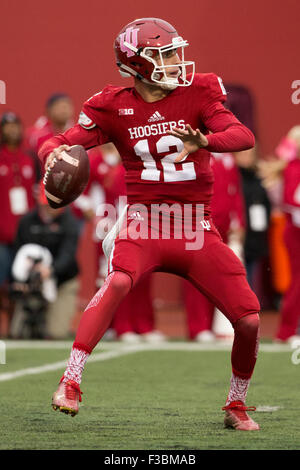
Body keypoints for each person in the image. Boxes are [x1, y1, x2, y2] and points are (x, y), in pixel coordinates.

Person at [39, 18, 260, 431]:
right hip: (145, 223)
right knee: (119, 281)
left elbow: (242, 136)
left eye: (176, 51)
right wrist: (50, 153)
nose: (178, 61)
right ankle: (71, 380)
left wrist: (205, 141)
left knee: (248, 318)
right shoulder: (113, 105)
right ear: (137, 65)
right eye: (165, 54)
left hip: (195, 225)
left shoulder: (200, 92)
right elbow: (59, 141)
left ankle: (236, 403)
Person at [11, 182, 81, 339]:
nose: (51, 207)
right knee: (19, 332)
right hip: (33, 283)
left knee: (55, 332)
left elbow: (67, 255)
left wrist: (51, 270)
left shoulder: (69, 222)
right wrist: (20, 278)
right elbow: (19, 253)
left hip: (62, 281)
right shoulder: (27, 222)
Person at [0, 112, 37, 335]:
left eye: (16, 125)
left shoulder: (30, 158)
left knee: (19, 283)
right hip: (1, 236)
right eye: (7, 126)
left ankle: (14, 328)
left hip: (25, 237)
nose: (12, 130)